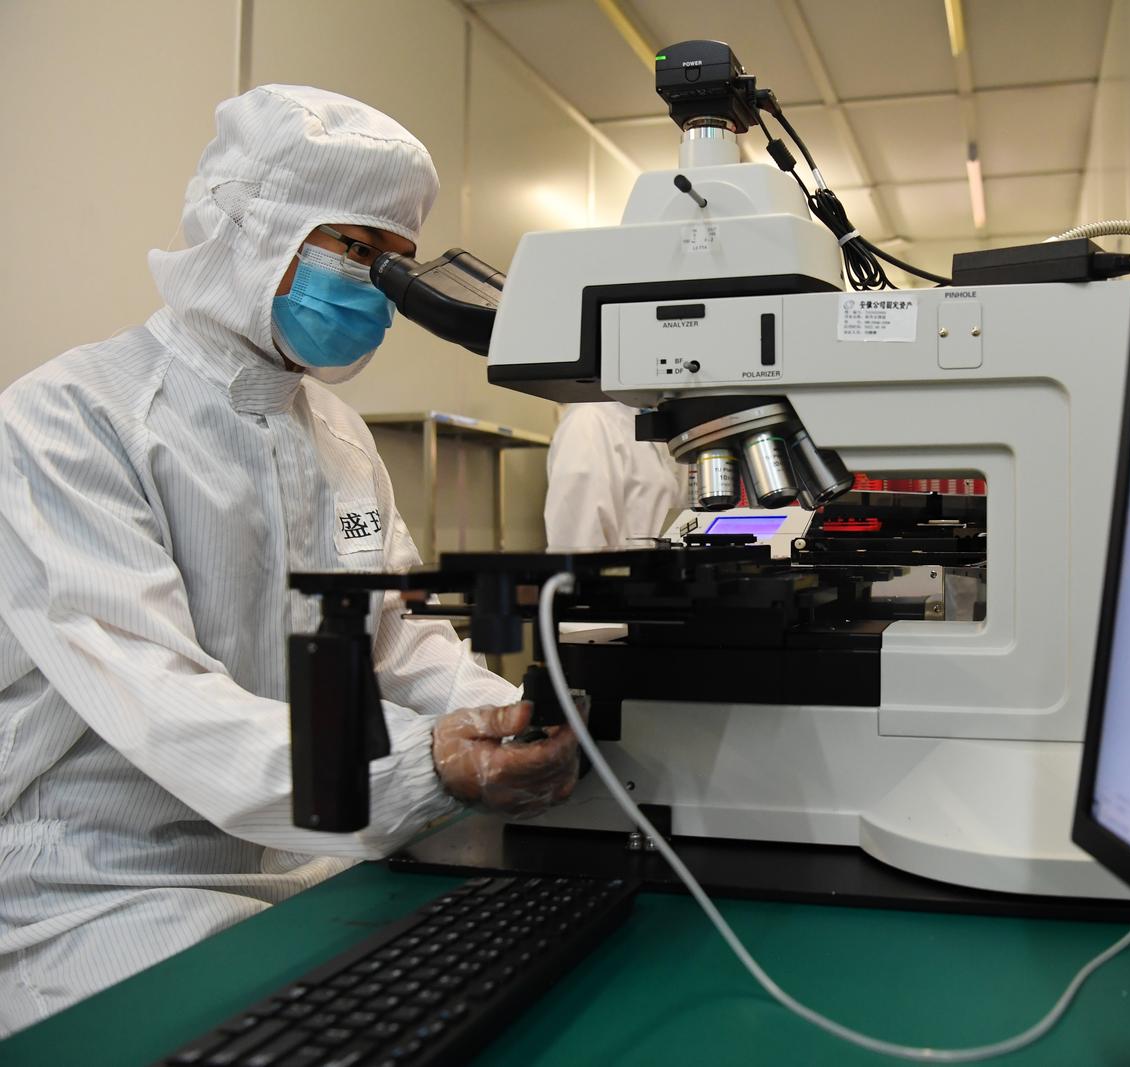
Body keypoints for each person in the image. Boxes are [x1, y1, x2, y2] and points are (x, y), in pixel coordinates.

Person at [0, 85, 578, 1035]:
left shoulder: (341, 439)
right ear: (252, 226)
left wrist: (516, 723)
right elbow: (161, 700)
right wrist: (427, 765)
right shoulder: (71, 419)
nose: (380, 290)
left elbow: (402, 643)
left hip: (310, 859)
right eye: (357, 250)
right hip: (102, 885)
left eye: (397, 263)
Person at [543, 402, 688, 549]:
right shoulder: (588, 421)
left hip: (659, 561)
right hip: (624, 563)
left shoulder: (648, 417)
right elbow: (579, 544)